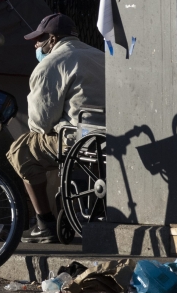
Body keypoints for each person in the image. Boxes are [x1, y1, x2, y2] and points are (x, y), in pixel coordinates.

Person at [6, 13, 105, 243]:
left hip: (80, 138)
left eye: (39, 40)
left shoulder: (50, 64)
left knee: (22, 149)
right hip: (114, 136)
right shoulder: (102, 56)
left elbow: (39, 123)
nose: (36, 44)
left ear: (52, 39)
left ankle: (45, 223)